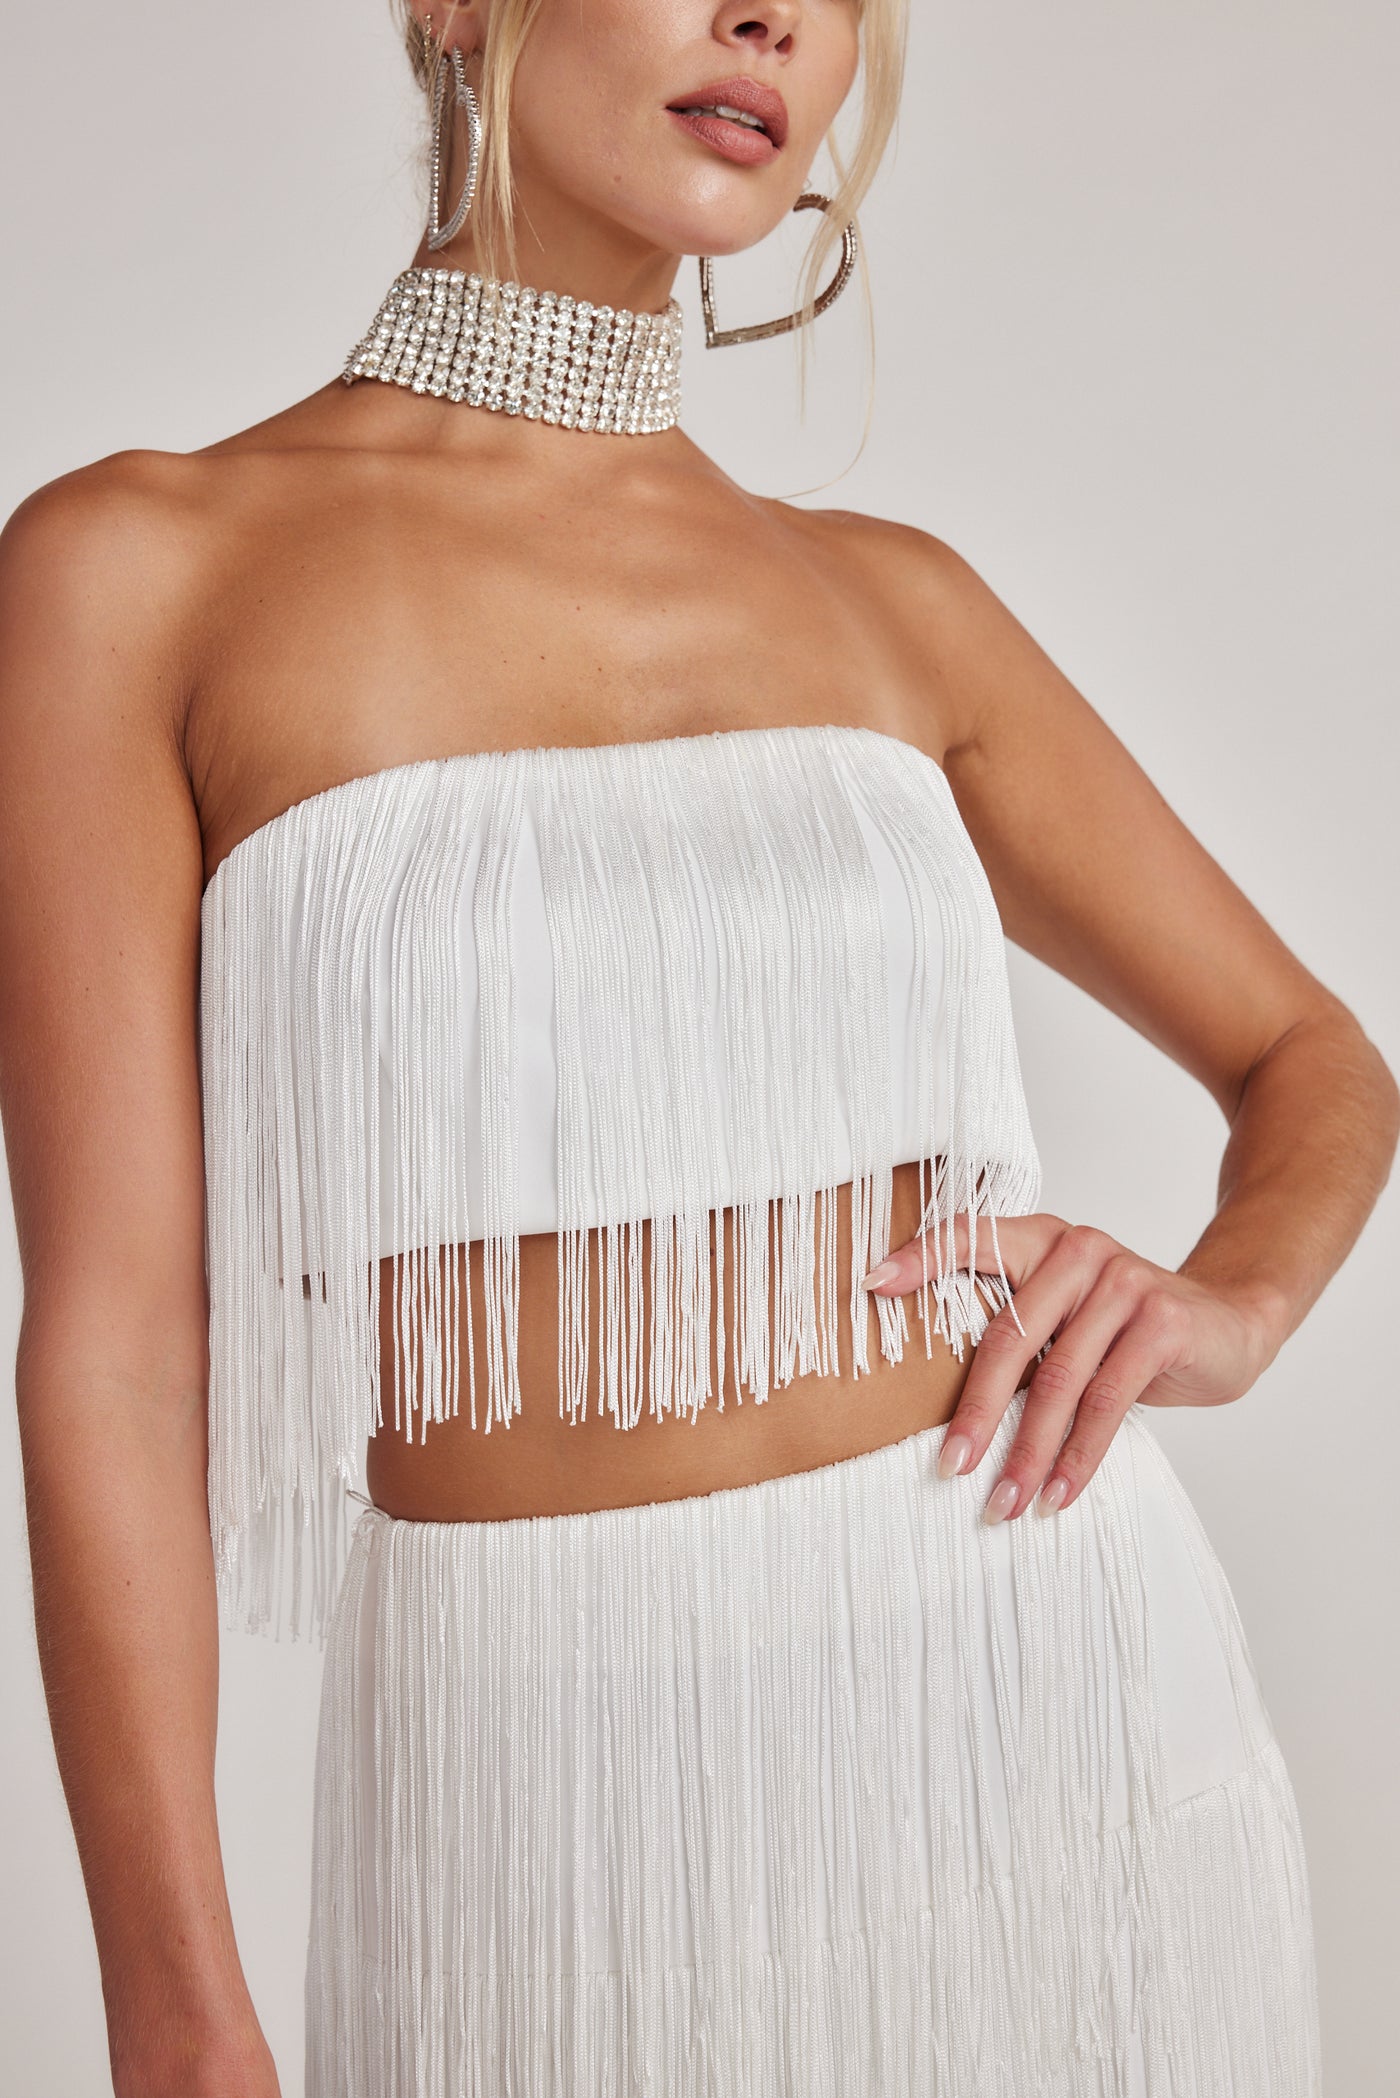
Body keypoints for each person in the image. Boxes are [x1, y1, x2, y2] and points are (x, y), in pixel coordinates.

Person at [0, 2, 1391, 2093]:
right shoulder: (137, 569)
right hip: (532, 1780)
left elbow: (1310, 1050)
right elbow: (116, 1347)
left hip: (1035, 1691)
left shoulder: (895, 601)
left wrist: (1234, 1303)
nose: (772, 19)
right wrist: (173, 2010)